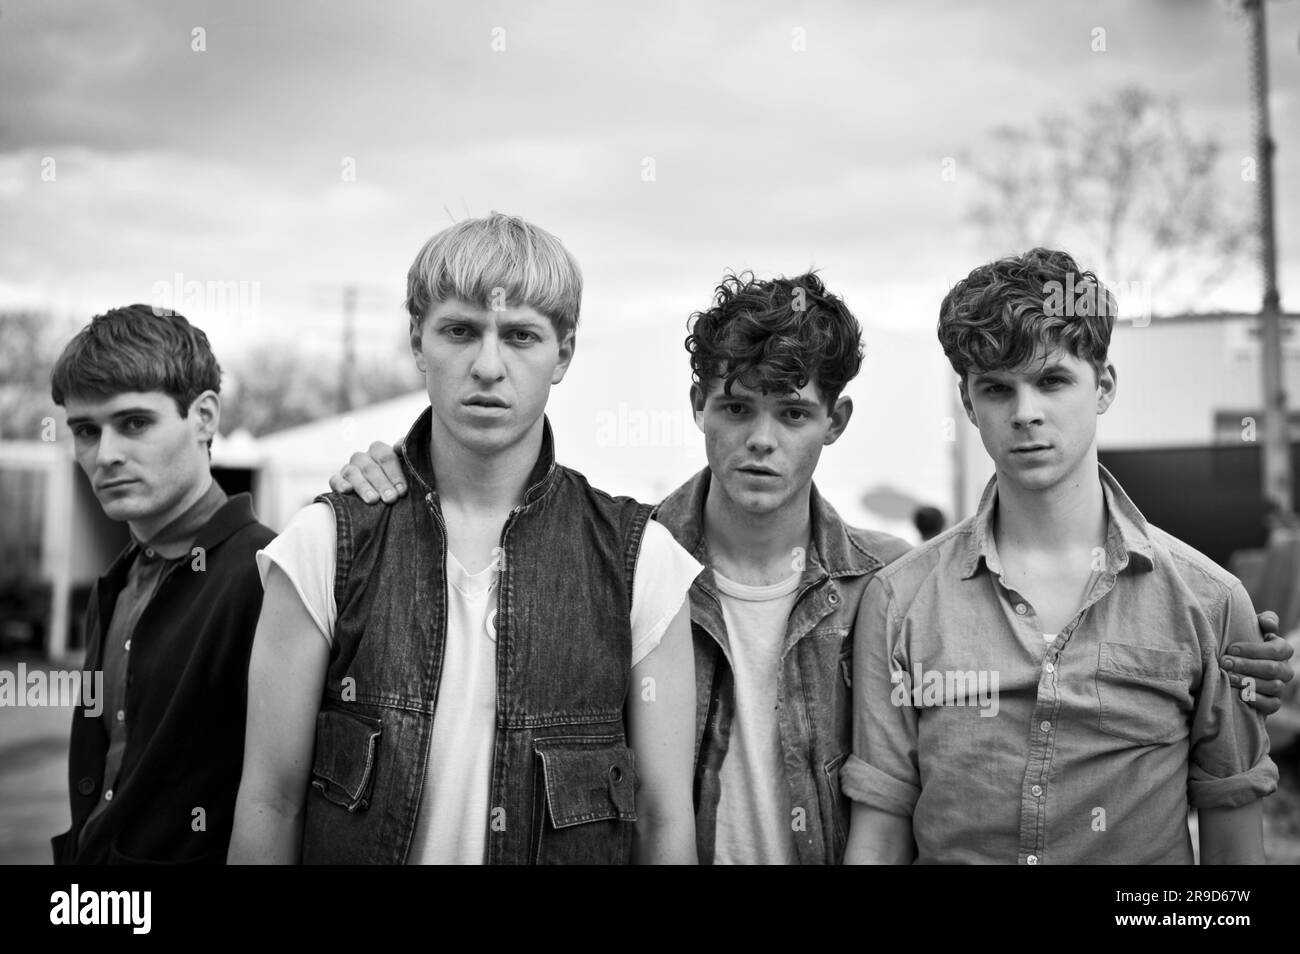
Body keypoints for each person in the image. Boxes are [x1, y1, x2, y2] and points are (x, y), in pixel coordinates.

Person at [331, 269, 1295, 864]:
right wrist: (394, 475)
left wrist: (1240, 669)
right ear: (698, 405)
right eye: (737, 408)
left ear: (835, 422)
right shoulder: (621, 567)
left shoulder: (888, 586)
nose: (759, 441)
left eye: (792, 414)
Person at [229, 212, 700, 864]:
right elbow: (269, 802)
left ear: (563, 353)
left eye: (521, 336)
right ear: (418, 344)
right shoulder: (322, 545)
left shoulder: (643, 563)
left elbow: (663, 818)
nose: (487, 364)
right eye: (459, 331)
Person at [843, 248, 1278, 864]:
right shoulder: (899, 600)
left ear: (1102, 387)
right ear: (969, 404)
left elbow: (1235, 857)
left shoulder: (1210, 601)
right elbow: (879, 837)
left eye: (1052, 380)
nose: (1026, 414)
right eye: (997, 389)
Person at [50, 305, 275, 864]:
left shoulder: (270, 574)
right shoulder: (119, 580)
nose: (105, 455)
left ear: (203, 417)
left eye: (134, 423)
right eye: (85, 431)